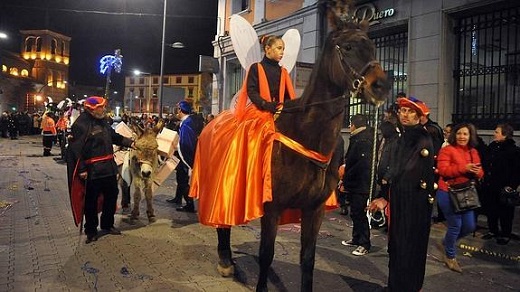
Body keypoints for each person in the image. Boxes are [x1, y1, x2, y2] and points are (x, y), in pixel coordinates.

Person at [368, 96, 435, 291]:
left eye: (410, 111)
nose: (405, 115)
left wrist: (386, 196)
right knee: (397, 247)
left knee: (408, 248)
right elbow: (393, 167)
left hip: (414, 203)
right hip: (401, 200)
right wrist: (386, 195)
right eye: (402, 111)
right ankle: (395, 286)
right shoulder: (403, 137)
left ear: (419, 116)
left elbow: (408, 171)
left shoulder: (422, 138)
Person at [67, 96, 134, 244]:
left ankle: (107, 224)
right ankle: (91, 230)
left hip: (109, 168)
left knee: (111, 197)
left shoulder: (104, 122)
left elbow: (114, 137)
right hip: (92, 170)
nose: (104, 109)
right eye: (100, 107)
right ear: (91, 109)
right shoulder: (81, 124)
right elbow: (76, 149)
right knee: (91, 202)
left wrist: (131, 143)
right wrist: (82, 169)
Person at [436, 123, 483, 273]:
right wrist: (464, 168)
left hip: (466, 193)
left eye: (465, 134)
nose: (462, 137)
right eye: (459, 134)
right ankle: (450, 256)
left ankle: (447, 242)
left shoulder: (473, 151)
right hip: (447, 191)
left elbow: (481, 172)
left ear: (470, 136)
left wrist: (477, 172)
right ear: (454, 135)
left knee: (469, 226)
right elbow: (443, 171)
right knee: (455, 225)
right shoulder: (447, 150)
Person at [481, 123, 520, 245]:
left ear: (505, 134)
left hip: (504, 187)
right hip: (490, 185)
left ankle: (505, 234)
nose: (494, 134)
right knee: (491, 210)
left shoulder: (513, 150)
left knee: (505, 213)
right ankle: (493, 230)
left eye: (497, 132)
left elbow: (517, 170)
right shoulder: (493, 146)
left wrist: (511, 186)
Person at [340, 114, 373, 256]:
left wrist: (346, 176)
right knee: (354, 212)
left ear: (354, 125)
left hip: (360, 182)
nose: (349, 127)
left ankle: (364, 243)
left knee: (360, 213)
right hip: (355, 182)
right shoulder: (357, 138)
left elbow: (360, 164)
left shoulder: (363, 140)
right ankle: (356, 238)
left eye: (351, 124)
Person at [170, 101, 203, 213]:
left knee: (183, 181)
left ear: (180, 110)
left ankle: (189, 204)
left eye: (178, 110)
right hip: (183, 157)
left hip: (185, 158)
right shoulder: (187, 122)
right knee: (180, 178)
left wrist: (189, 163)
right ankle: (179, 199)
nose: (177, 112)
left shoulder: (187, 123)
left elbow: (186, 144)